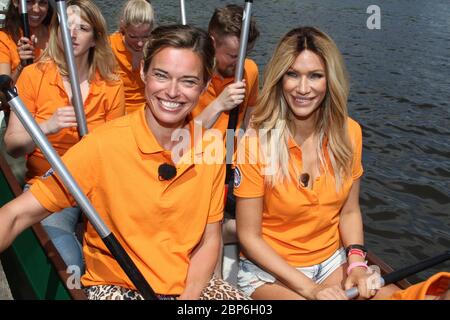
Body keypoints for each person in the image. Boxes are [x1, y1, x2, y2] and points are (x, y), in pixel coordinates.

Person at [0, 24, 249, 300]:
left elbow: (210, 238)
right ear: (143, 72)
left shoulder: (213, 145)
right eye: (161, 76)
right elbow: (15, 215)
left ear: (204, 85)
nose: (173, 91)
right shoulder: (101, 146)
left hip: (190, 287)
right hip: (119, 287)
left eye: (188, 81)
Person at [233, 26, 399, 300]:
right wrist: (311, 290)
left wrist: (357, 264)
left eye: (315, 76)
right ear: (279, 78)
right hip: (270, 273)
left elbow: (349, 212)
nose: (303, 88)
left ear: (329, 80)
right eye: (293, 74)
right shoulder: (254, 143)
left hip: (333, 262)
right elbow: (249, 238)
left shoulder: (350, 133)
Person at [3, 0, 125, 273]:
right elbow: (12, 145)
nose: (73, 33)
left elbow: (116, 156)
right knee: (70, 263)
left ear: (95, 39)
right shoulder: (33, 76)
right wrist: (46, 126)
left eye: (83, 28)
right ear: (57, 31)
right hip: (53, 184)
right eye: (67, 26)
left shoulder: (111, 84)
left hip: (100, 187)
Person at [191, 4, 260, 275]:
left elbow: (251, 114)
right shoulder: (191, 73)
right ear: (211, 41)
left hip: (229, 160)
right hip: (192, 157)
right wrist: (218, 103)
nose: (238, 62)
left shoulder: (249, 71)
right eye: (232, 54)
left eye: (243, 54)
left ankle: (235, 232)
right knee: (209, 221)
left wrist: (247, 147)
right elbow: (178, 139)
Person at [0, 0, 54, 186]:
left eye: (43, 3)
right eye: (30, 2)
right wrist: (22, 66)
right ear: (16, 2)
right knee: (17, 175)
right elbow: (3, 98)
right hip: (21, 121)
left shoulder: (58, 33)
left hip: (55, 117)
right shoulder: (5, 39)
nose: (37, 9)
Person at [109, 0, 154, 114]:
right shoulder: (108, 46)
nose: (140, 43)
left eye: (145, 36)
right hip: (116, 109)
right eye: (133, 36)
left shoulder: (156, 49)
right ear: (123, 26)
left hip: (148, 109)